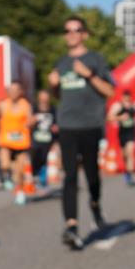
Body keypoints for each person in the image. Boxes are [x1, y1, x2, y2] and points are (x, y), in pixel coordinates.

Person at [49, 16, 115, 250]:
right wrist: (54, 85)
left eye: (76, 30)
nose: (72, 34)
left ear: (84, 34)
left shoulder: (95, 59)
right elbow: (59, 97)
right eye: (67, 31)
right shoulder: (62, 62)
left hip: (90, 125)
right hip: (67, 125)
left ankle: (95, 204)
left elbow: (109, 90)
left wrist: (89, 75)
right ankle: (72, 226)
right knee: (69, 176)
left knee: (92, 175)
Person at [0, 81, 33, 205]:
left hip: (21, 141)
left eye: (16, 90)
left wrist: (31, 123)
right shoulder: (2, 105)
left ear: (20, 91)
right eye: (11, 90)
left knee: (21, 170)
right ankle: (9, 176)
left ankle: (20, 192)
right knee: (5, 165)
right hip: (6, 140)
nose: (13, 92)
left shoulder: (25, 105)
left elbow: (30, 119)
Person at [107, 89, 135, 185]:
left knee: (130, 152)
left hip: (131, 132)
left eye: (128, 96)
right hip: (122, 132)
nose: (127, 98)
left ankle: (129, 174)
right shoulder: (118, 106)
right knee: (124, 155)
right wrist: (120, 118)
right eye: (125, 96)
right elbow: (109, 117)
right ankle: (126, 171)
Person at [30, 90, 58, 192]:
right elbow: (28, 123)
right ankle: (34, 178)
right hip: (36, 139)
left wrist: (55, 129)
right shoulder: (34, 108)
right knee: (35, 159)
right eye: (42, 97)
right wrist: (34, 119)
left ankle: (43, 181)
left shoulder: (53, 109)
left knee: (45, 160)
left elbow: (56, 125)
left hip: (48, 139)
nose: (44, 100)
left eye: (45, 97)